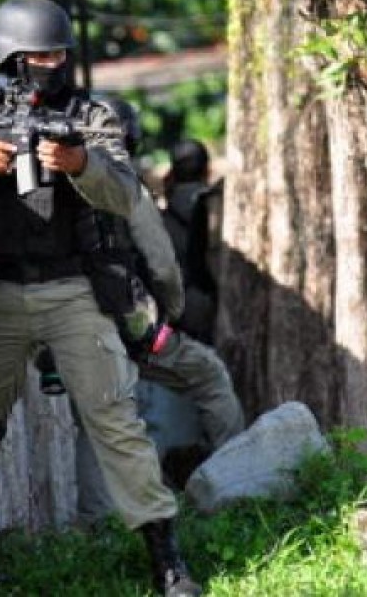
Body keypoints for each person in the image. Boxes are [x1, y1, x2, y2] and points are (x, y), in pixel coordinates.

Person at [0, 0, 200, 597]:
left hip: (75, 290)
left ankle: (168, 561)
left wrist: (79, 163)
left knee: (116, 420)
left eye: (59, 53)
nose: (53, 63)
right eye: (40, 54)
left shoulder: (92, 117)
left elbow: (125, 194)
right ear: (13, 59)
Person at [33, 97, 244, 524]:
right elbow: (161, 263)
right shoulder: (123, 185)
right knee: (209, 375)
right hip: (127, 325)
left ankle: (98, 526)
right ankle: (237, 487)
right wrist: (167, 315)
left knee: (95, 418)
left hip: (60, 330)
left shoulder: (41, 187)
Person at [162, 139, 220, 343]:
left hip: (167, 304)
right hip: (199, 301)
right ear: (206, 169)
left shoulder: (167, 206)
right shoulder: (212, 200)